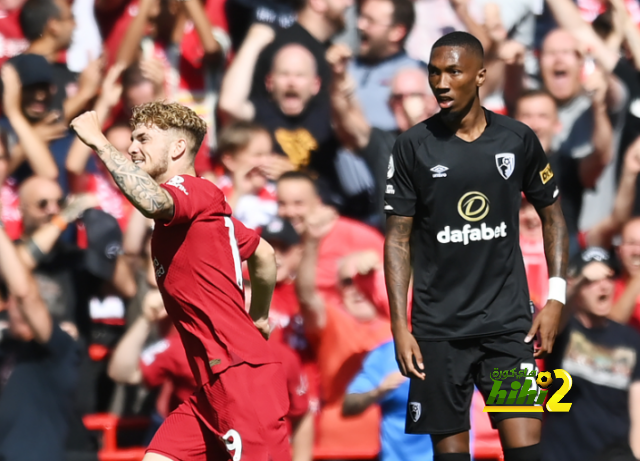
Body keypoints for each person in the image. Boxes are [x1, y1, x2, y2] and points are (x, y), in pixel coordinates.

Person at [384, 31, 569, 461]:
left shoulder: (516, 140)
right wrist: (399, 325)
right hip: (438, 335)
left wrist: (556, 299)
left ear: (480, 75)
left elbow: (553, 215)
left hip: (508, 331)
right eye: (434, 72)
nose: (441, 82)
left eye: (453, 71)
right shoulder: (413, 146)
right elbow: (397, 239)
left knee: (527, 453)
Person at [70, 101, 289, 461]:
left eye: (143, 138)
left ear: (178, 148)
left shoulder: (193, 190)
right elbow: (263, 254)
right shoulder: (209, 219)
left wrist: (99, 142)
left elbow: (153, 201)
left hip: (241, 379)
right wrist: (259, 316)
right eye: (132, 139)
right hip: (211, 387)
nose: (132, 146)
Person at [541, 248, 640, 461]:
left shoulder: (631, 340)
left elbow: (637, 405)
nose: (603, 286)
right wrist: (578, 282)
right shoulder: (564, 331)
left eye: (609, 278)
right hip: (561, 454)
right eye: (592, 281)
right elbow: (552, 321)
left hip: (615, 455)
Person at [0, 208, 81, 461]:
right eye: (18, 307)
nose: (23, 313)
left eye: (31, 309)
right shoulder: (6, 345)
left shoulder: (60, 348)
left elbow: (24, 293)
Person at [344, 340, 434, 461]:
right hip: (397, 457)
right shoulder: (386, 353)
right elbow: (349, 405)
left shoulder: (456, 349)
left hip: (449, 453)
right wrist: (379, 391)